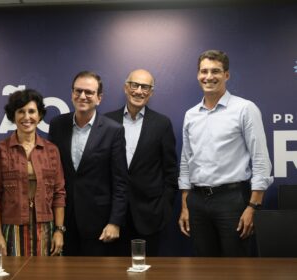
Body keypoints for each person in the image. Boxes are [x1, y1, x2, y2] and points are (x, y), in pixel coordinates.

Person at [178, 50, 274, 257]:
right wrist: (185, 205)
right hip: (197, 201)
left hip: (233, 200)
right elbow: (186, 160)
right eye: (204, 71)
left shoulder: (245, 109)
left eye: (216, 71)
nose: (209, 76)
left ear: (227, 75)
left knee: (237, 267)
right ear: (197, 75)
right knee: (204, 267)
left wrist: (253, 207)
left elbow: (260, 159)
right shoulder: (191, 115)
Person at [48, 71, 128, 256]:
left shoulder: (113, 130)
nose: (82, 96)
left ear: (99, 98)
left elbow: (120, 181)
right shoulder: (57, 125)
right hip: (62, 220)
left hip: (98, 224)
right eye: (78, 91)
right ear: (71, 94)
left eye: (89, 92)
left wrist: (114, 222)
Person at [105, 69, 178, 256]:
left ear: (151, 92)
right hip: (110, 215)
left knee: (146, 271)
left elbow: (170, 172)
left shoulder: (162, 124)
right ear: (125, 87)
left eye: (145, 87)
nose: (139, 91)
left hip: (149, 216)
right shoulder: (105, 121)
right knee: (110, 271)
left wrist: (164, 210)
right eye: (134, 85)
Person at [0, 89, 66, 256]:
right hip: (9, 229)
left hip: (46, 230)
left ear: (40, 115)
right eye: (21, 111)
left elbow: (59, 193)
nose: (26, 117)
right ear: (13, 116)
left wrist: (59, 230)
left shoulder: (51, 150)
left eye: (31, 111)